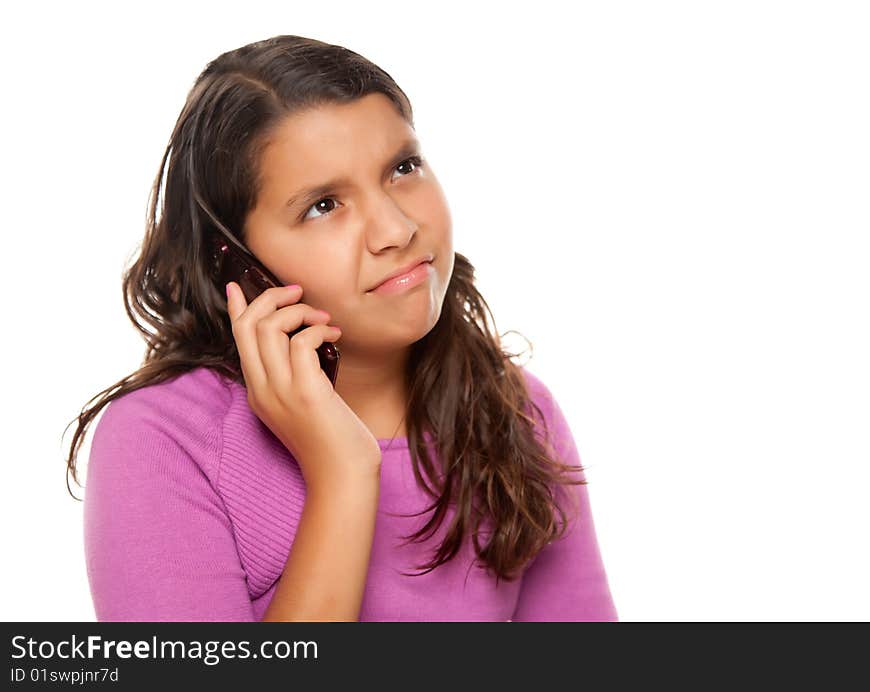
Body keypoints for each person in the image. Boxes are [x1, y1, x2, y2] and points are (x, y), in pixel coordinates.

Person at [65, 34, 618, 622]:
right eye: (323, 204)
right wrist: (342, 476)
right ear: (237, 264)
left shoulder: (519, 409)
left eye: (403, 167)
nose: (396, 228)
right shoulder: (162, 442)